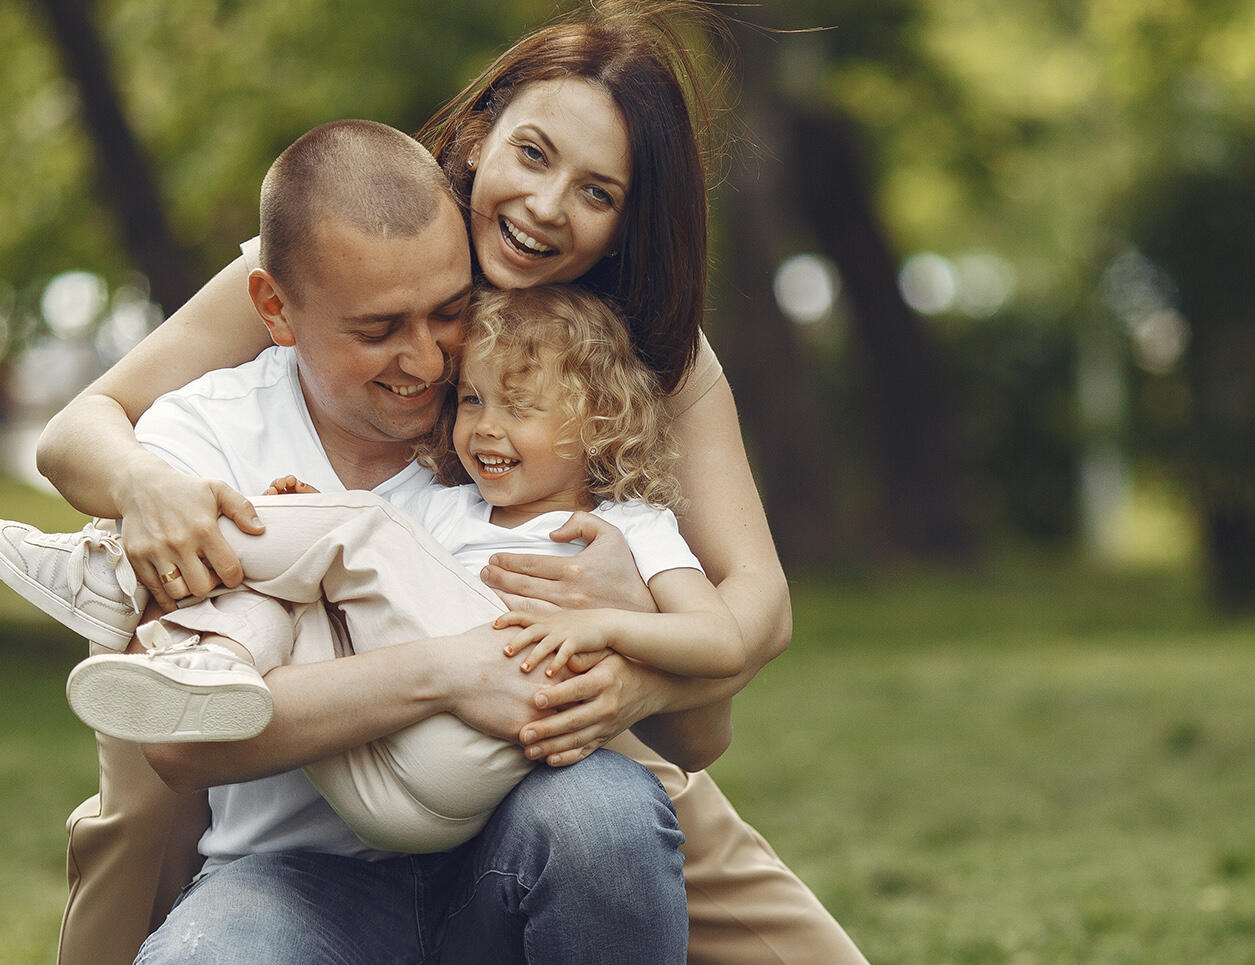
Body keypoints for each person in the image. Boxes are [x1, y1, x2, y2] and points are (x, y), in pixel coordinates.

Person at [35, 4, 996, 965]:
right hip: (276, 753)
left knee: (627, 786)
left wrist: (637, 658)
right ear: (480, 132)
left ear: (631, 225)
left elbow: (754, 600)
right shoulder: (351, 237)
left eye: (599, 193)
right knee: (153, 772)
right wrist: (143, 482)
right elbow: (81, 427)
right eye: (533, 155)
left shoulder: (629, 346)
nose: (545, 209)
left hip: (503, 721)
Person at [15, 284, 744, 858]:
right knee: (297, 583)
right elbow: (352, 586)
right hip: (375, 778)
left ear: (598, 424)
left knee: (361, 522)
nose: (485, 426)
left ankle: (108, 578)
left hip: (468, 763)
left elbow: (720, 642)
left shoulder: (629, 528)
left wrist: (607, 623)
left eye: (518, 406)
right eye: (472, 399)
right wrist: (303, 515)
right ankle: (210, 663)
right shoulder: (447, 506)